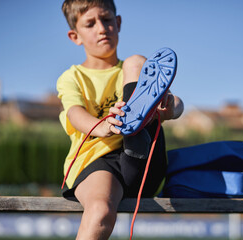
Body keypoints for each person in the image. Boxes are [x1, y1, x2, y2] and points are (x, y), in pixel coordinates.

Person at [57, 0, 184, 239]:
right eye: (90, 24)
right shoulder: (72, 77)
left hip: (145, 163)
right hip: (99, 162)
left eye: (106, 20)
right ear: (75, 36)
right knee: (100, 211)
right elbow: (74, 114)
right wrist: (103, 125)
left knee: (137, 61)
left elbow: (178, 106)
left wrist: (169, 106)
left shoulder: (134, 71)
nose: (102, 28)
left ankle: (136, 129)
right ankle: (131, 128)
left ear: (118, 23)